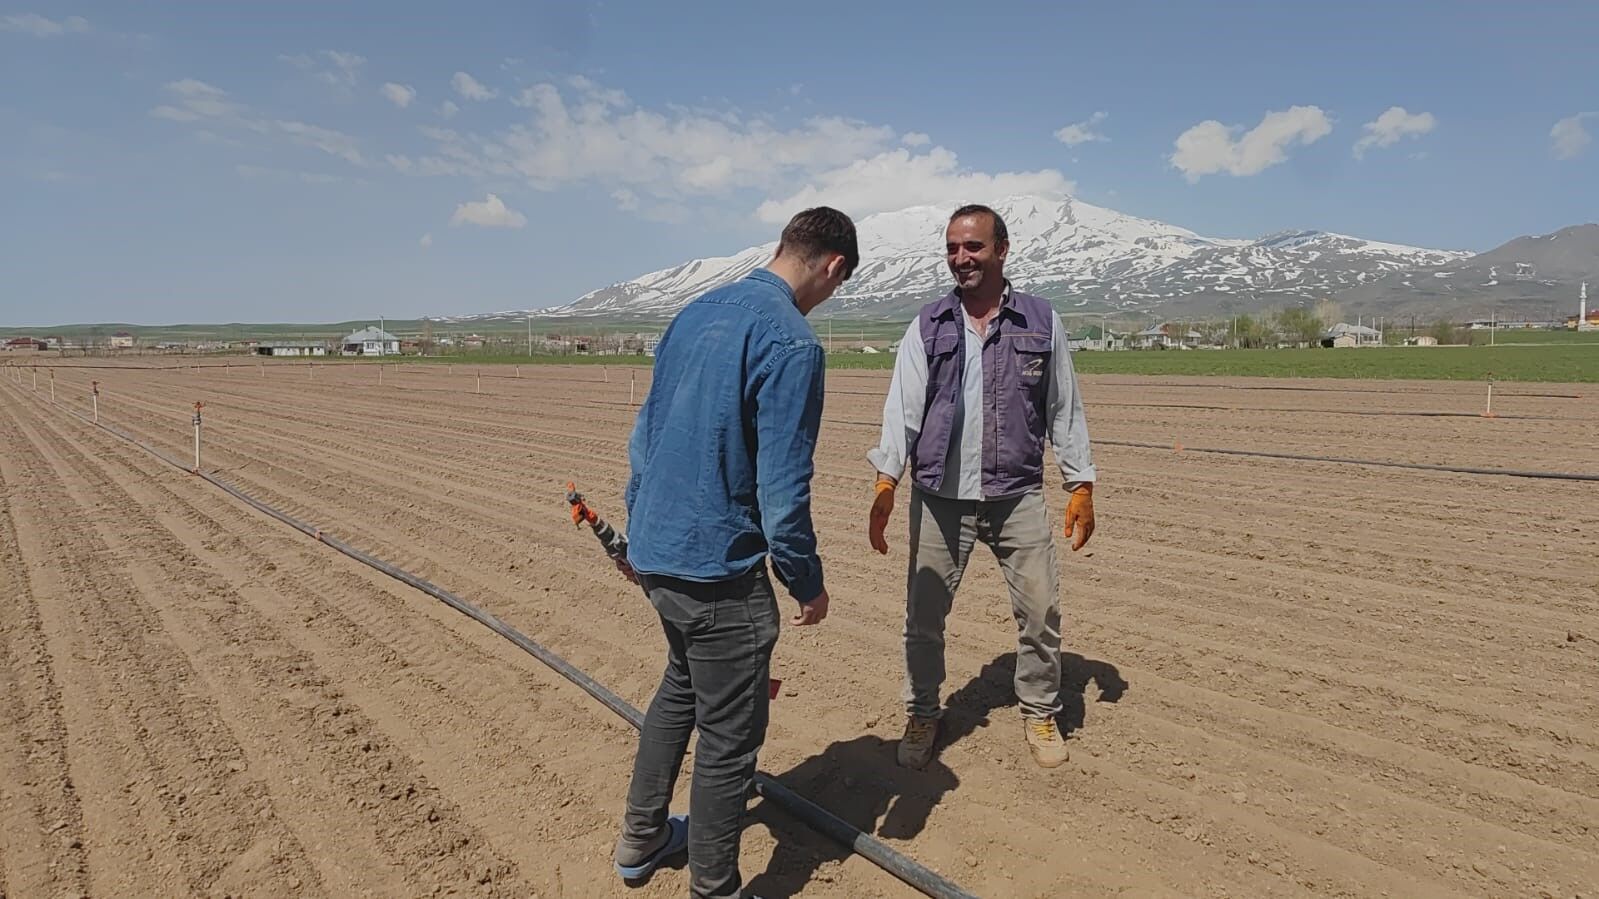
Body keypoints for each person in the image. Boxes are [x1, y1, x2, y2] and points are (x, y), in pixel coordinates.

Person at [611, 206, 858, 898]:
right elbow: (783, 489)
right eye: (836, 286)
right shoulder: (792, 341)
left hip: (660, 553)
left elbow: (644, 437)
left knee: (680, 688)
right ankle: (714, 886)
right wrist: (805, 580)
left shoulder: (695, 311)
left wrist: (639, 532)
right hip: (719, 570)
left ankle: (642, 838)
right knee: (728, 739)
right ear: (833, 266)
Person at [866, 203, 1097, 771]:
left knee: (1041, 611)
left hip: (1016, 494)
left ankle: (1040, 709)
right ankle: (923, 712)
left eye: (972, 246)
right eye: (952, 248)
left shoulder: (1040, 320)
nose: (961, 257)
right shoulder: (928, 325)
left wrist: (1081, 484)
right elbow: (903, 408)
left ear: (1002, 249)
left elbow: (1063, 406)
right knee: (923, 618)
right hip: (940, 497)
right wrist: (887, 478)